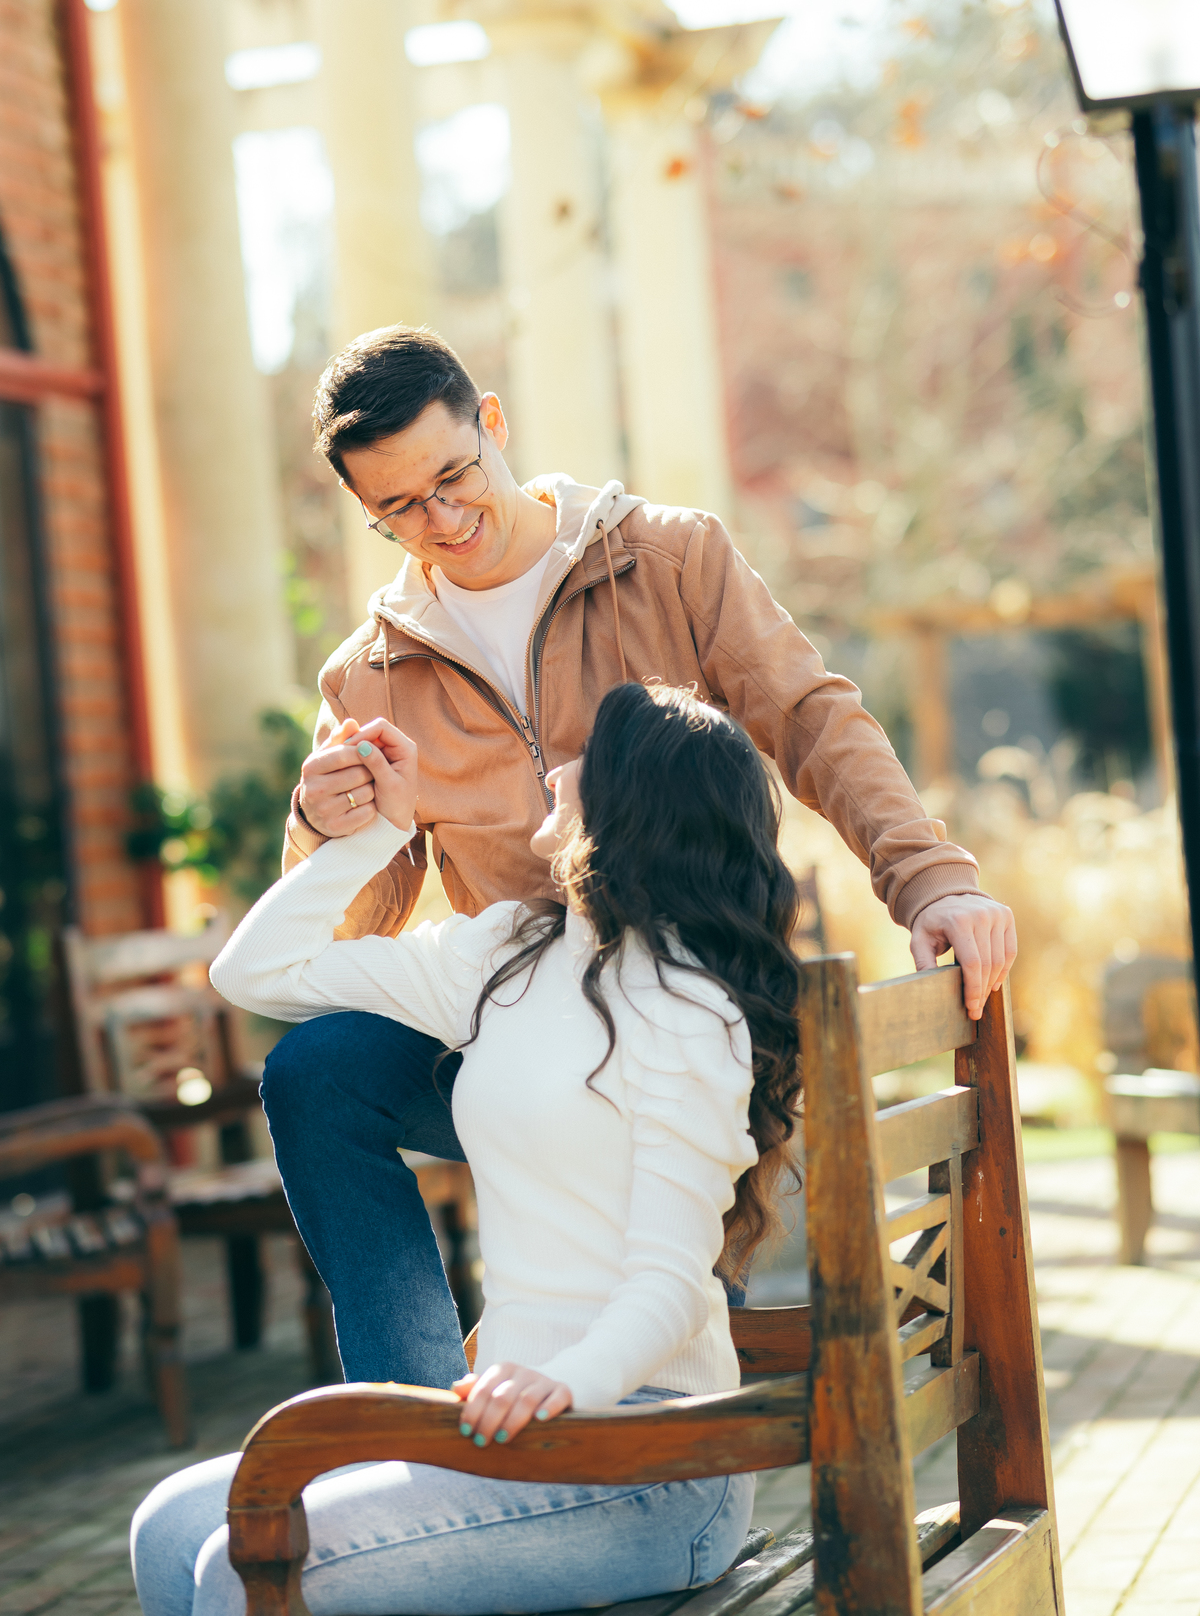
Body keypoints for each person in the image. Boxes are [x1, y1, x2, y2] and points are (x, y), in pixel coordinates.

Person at [264, 323, 1016, 1388]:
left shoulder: (668, 558)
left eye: (454, 476)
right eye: (400, 509)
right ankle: (412, 1410)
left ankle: (672, 1409)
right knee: (315, 1074)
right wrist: (323, 831)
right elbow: (358, 930)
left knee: (664, 1315)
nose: (443, 520)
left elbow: (810, 719)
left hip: (687, 1014)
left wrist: (930, 878)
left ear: (493, 422)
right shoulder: (369, 676)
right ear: (365, 510)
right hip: (520, 1028)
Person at [132, 683, 804, 1616]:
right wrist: (376, 838)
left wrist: (560, 1382)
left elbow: (669, 1286)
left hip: (651, 1461)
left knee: (231, 1563)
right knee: (166, 1521)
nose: (555, 772)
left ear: (636, 803)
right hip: (514, 1434)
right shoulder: (513, 950)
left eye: (585, 760)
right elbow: (253, 972)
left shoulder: (693, 1012)